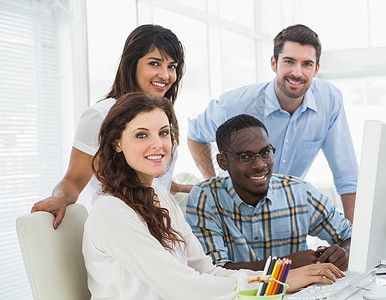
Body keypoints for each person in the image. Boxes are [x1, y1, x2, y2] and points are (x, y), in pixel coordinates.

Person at [82, 92, 344, 299]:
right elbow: (185, 289)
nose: (158, 144)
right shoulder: (111, 212)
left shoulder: (160, 198)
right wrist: (282, 279)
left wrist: (277, 280)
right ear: (116, 143)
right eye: (141, 135)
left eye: (164, 132)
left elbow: (206, 271)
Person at [187, 24, 358, 222]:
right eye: (289, 61)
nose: (297, 72)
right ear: (273, 63)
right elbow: (195, 135)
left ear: (316, 69)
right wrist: (213, 184)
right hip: (236, 213)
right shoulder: (236, 105)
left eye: (307, 64)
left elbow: (347, 177)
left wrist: (354, 239)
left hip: (287, 213)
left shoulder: (329, 100)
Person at [31, 24, 192, 229]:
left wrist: (181, 188)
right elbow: (73, 180)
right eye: (154, 63)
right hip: (121, 226)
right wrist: (60, 198)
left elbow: (154, 180)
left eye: (172, 66)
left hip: (161, 227)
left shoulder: (163, 114)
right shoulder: (100, 115)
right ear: (131, 64)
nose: (165, 75)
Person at [186, 114, 352, 272]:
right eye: (246, 156)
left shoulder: (299, 192)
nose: (259, 165)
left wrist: (343, 253)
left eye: (265, 152)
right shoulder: (206, 197)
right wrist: (284, 265)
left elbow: (353, 237)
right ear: (223, 162)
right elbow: (211, 271)